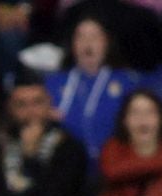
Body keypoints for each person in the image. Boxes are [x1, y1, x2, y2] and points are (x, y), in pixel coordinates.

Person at [45, 18, 136, 161]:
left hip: (112, 161)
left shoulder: (126, 81)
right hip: (65, 163)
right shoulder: (53, 82)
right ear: (72, 45)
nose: (87, 43)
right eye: (80, 37)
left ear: (106, 43)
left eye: (94, 37)